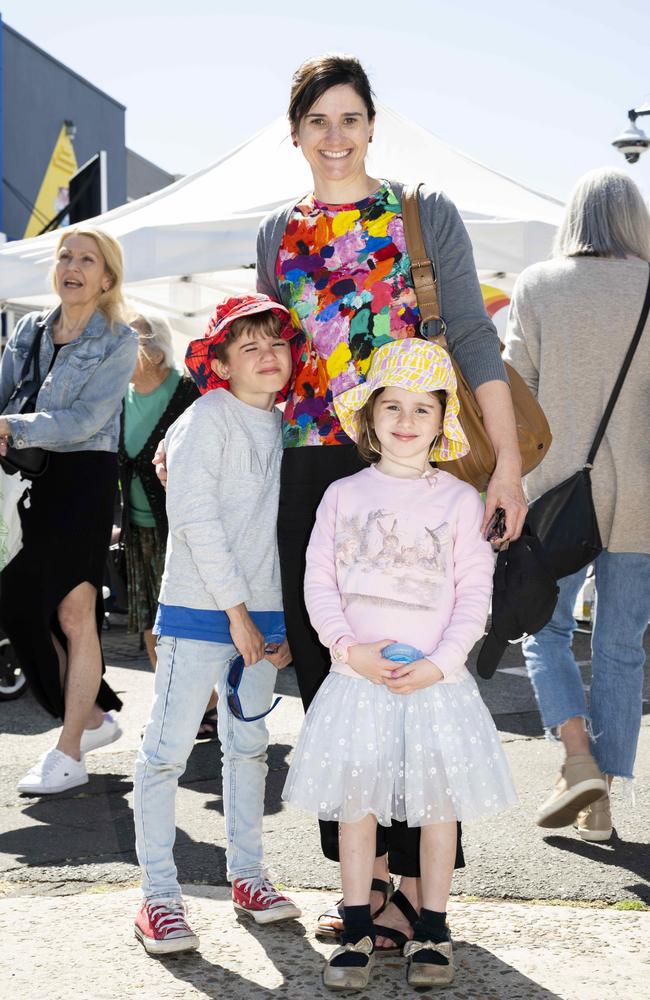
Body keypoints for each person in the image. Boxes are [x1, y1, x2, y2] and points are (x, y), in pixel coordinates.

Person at [255, 52, 527, 944]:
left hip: (417, 465)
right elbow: (267, 363)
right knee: (335, 681)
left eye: (351, 118)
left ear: (372, 126)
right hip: (308, 472)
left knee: (421, 676)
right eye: (317, 121)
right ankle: (361, 885)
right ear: (295, 133)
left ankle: (417, 890)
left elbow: (477, 344)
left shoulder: (421, 214)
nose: (335, 137)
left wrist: (510, 467)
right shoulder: (275, 234)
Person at [283, 338, 517, 991]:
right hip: (357, 680)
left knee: (436, 805)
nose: (406, 420)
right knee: (357, 804)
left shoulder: (460, 502)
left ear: (444, 421)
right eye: (392, 406)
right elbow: (318, 581)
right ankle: (357, 927)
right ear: (371, 416)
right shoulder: (343, 495)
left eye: (422, 408)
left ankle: (433, 929)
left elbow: (474, 595)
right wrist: (345, 647)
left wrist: (442, 662)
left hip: (433, 686)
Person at [133, 294, 302, 957]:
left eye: (276, 344)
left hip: (262, 617)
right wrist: (237, 613)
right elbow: (195, 518)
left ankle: (248, 878)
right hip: (201, 611)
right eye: (249, 347)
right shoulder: (205, 418)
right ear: (222, 362)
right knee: (165, 753)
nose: (267, 357)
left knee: (249, 750)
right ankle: (158, 898)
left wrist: (281, 619)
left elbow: (288, 531)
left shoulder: (289, 426)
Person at [504, 167, 650, 843]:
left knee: (547, 630)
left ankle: (577, 756)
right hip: (643, 499)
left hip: (555, 497)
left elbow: (513, 395)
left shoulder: (536, 285)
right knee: (621, 648)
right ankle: (599, 802)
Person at [0, 227, 138, 794]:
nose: (73, 266)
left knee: (76, 613)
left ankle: (70, 750)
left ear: (106, 277)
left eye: (88, 259)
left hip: (82, 478)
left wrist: (14, 428)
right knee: (16, 601)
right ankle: (95, 716)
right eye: (65, 256)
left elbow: (85, 419)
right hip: (24, 479)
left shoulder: (119, 340)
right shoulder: (28, 330)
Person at [118, 312, 199, 669]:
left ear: (155, 353)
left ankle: (206, 711)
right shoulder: (119, 398)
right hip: (138, 533)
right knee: (150, 623)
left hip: (181, 532)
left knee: (185, 625)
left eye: (128, 342)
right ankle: (165, 708)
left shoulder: (189, 392)